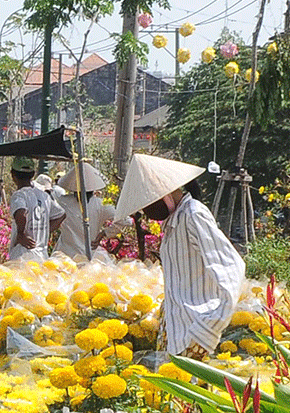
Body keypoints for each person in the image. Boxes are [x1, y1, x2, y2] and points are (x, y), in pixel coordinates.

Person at [114, 152, 245, 358]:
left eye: (150, 201)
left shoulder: (193, 215)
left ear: (168, 191)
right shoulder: (174, 222)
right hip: (176, 329)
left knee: (191, 387)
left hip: (195, 330)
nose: (148, 210)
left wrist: (210, 326)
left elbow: (231, 267)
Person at [53, 162, 110, 259]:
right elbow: (125, 220)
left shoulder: (62, 201)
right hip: (89, 255)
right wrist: (104, 233)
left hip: (65, 256)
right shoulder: (101, 205)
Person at [8, 158, 54, 261]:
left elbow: (21, 212)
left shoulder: (19, 195)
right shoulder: (43, 195)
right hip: (42, 255)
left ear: (13, 175)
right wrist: (45, 230)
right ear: (33, 174)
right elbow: (61, 215)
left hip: (23, 255)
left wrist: (20, 234)